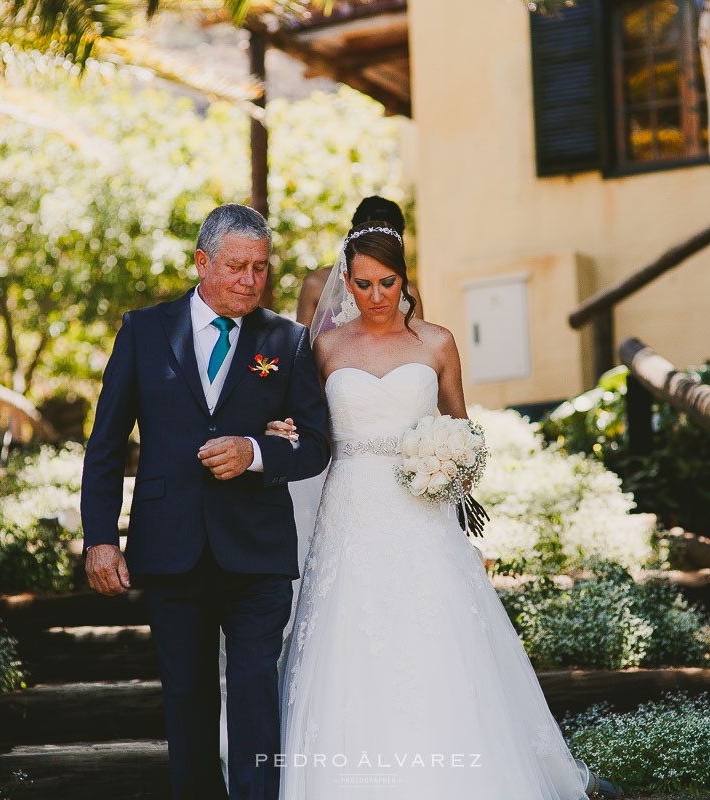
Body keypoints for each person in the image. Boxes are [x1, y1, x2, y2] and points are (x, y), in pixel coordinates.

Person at [265, 224, 623, 798]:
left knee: (437, 634)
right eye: (362, 284)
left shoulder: (436, 342)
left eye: (387, 282)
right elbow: (313, 433)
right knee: (351, 639)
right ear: (346, 284)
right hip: (351, 511)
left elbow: (463, 430)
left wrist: (448, 463)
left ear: (404, 279)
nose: (376, 295)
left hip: (419, 512)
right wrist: (284, 429)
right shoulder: (325, 347)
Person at [78, 203, 331, 800]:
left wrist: (255, 452)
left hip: (258, 554)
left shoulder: (287, 342)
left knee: (253, 697)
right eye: (237, 267)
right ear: (202, 262)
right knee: (187, 702)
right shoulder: (143, 331)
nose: (250, 280)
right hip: (170, 550)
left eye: (261, 269)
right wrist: (100, 539)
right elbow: (106, 446)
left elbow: (317, 447)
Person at [296, 196, 423, 329]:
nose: (376, 298)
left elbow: (420, 342)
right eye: (362, 285)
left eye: (388, 283)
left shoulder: (410, 291)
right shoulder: (315, 284)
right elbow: (300, 346)